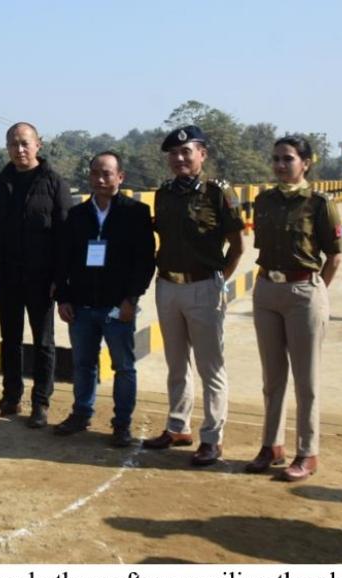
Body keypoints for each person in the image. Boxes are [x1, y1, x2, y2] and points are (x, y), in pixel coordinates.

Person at [142, 125, 244, 467]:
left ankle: (212, 437)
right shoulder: (165, 193)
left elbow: (238, 246)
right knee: (176, 363)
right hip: (168, 286)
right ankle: (177, 426)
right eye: (174, 153)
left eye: (187, 152)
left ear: (202, 154)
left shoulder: (219, 193)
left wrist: (219, 283)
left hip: (204, 286)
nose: (180, 158)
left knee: (210, 366)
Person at [245, 136, 341, 482]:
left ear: (305, 163)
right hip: (267, 289)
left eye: (287, 159)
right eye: (276, 159)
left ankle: (307, 451)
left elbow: (334, 255)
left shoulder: (319, 203)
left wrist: (314, 291)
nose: (280, 165)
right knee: (272, 377)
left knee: (306, 379)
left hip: (303, 291)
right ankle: (271, 445)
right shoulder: (265, 201)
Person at [52, 151, 155, 447]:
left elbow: (145, 261)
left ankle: (121, 424)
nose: (99, 179)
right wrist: (63, 298)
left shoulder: (135, 213)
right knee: (84, 364)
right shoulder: (77, 216)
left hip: (117, 307)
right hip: (82, 307)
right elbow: (64, 260)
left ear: (120, 177)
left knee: (123, 367)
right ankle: (81, 414)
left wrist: (131, 300)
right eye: (95, 173)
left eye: (107, 173)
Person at [0, 122, 71, 427]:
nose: (19, 150)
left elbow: (64, 234)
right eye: (13, 144)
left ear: (38, 145)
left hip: (42, 278)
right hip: (8, 275)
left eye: (25, 143)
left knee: (43, 342)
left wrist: (62, 278)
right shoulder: (3, 182)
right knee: (11, 340)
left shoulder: (53, 182)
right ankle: (10, 398)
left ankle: (40, 403)